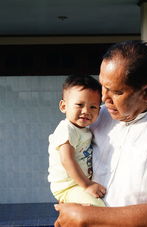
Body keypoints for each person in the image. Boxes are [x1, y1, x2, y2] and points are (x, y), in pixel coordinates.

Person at [54, 40, 147, 227]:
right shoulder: (97, 117)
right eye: (103, 87)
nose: (104, 98)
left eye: (117, 92)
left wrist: (86, 215)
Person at [48, 75, 107, 207]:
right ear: (63, 106)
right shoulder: (67, 129)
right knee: (97, 208)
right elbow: (66, 160)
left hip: (77, 185)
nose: (86, 111)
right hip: (68, 188)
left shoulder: (84, 130)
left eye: (93, 107)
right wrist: (87, 185)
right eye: (79, 105)